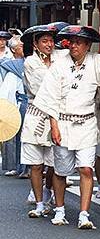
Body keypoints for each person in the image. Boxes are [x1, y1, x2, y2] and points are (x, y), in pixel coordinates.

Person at [33, 25, 100, 229]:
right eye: (72, 42)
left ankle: (84, 214)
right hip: (63, 122)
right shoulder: (59, 64)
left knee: (86, 168)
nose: (74, 46)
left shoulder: (97, 61)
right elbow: (50, 97)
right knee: (61, 170)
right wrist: (53, 125)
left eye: (79, 42)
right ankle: (60, 209)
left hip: (86, 122)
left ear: (88, 45)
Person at [20, 24, 59, 217]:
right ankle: (39, 203)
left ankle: (48, 190)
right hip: (37, 114)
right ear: (36, 44)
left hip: (56, 116)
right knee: (35, 164)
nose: (49, 45)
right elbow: (42, 88)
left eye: (51, 41)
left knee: (53, 163)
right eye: (44, 41)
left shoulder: (61, 58)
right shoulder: (30, 63)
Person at [0, 37, 27, 176]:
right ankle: (20, 166)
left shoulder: (30, 62)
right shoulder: (10, 65)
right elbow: (8, 89)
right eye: (20, 47)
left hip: (32, 101)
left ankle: (28, 167)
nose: (23, 49)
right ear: (14, 50)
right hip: (20, 102)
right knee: (19, 136)